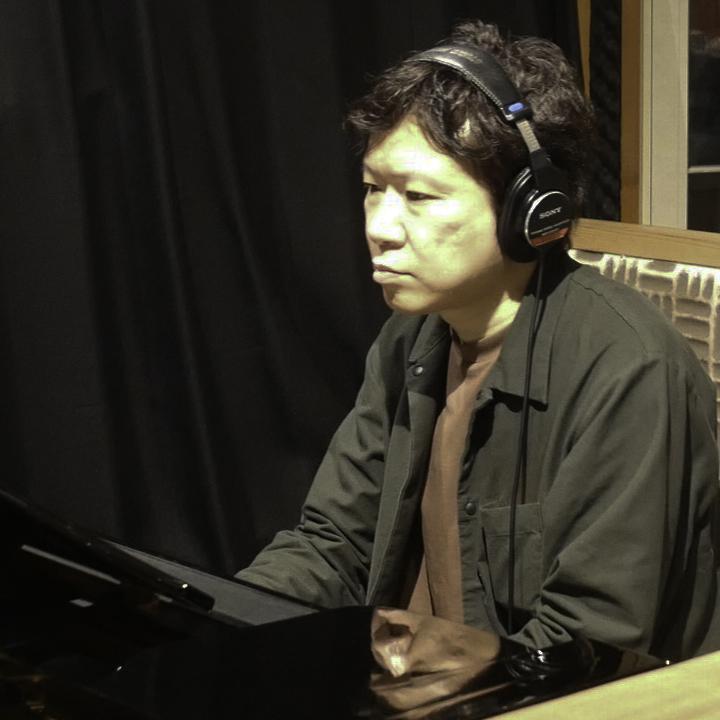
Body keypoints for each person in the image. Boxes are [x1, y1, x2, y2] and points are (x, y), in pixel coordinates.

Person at [237, 20, 720, 661]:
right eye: (374, 189)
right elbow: (333, 546)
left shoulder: (628, 373)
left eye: (419, 196)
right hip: (407, 682)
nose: (381, 227)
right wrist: (215, 633)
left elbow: (581, 650)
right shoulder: (409, 341)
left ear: (532, 211)